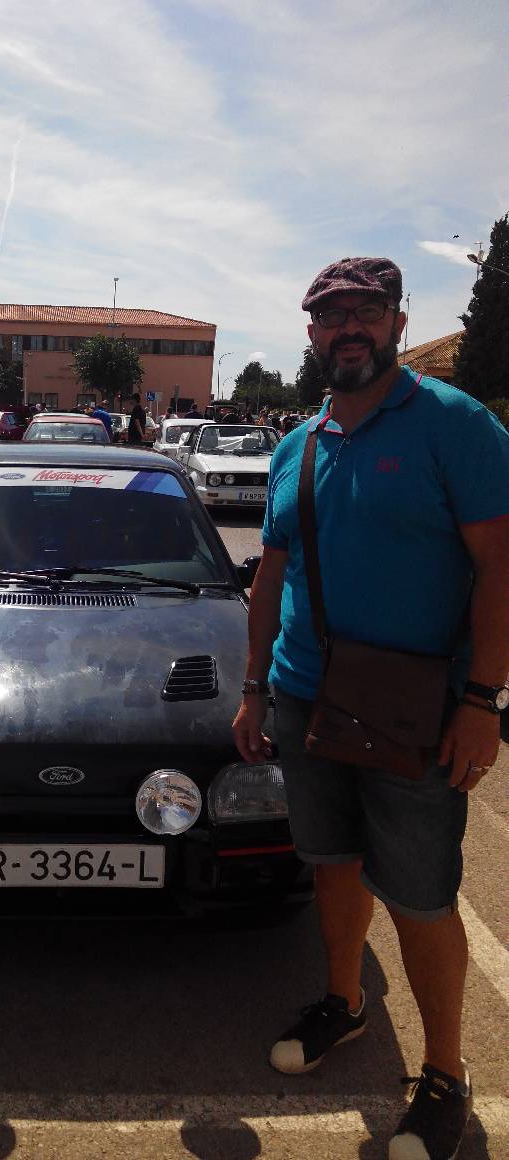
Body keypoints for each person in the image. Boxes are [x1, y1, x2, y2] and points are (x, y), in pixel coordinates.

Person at [232, 257, 509, 1160]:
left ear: (396, 323)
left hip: (418, 708)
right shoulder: (295, 444)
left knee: (423, 897)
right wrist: (252, 686)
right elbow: (271, 572)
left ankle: (444, 1075)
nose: (348, 327)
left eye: (366, 312)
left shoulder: (455, 426)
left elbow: (501, 568)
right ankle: (345, 1004)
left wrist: (482, 700)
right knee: (332, 861)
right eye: (330, 315)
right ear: (311, 334)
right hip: (307, 697)